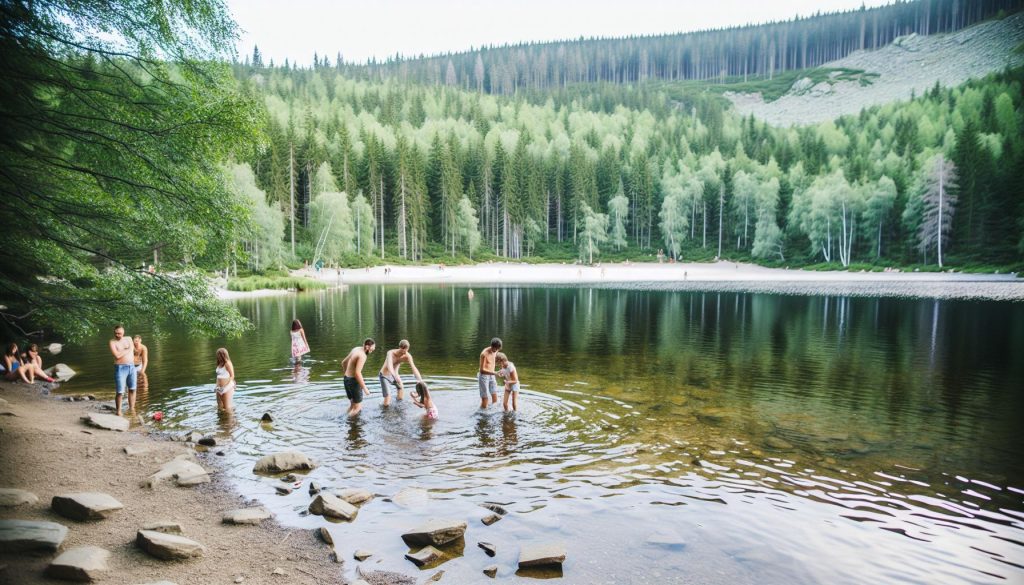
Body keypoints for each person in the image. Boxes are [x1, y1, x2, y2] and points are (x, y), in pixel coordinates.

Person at [378, 339, 424, 406]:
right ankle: (385, 410)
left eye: (406, 351)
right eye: (402, 352)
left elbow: (414, 368)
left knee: (401, 391)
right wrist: (394, 377)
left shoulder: (407, 356)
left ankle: (398, 406)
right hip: (384, 375)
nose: (404, 354)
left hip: (395, 375)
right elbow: (390, 366)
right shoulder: (390, 353)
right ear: (399, 348)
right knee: (387, 399)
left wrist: (420, 380)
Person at [341, 338, 375, 416]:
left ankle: (346, 418)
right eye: (371, 350)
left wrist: (346, 376)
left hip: (346, 379)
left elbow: (343, 362)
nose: (371, 352)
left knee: (352, 405)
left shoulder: (355, 349)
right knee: (357, 408)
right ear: (367, 347)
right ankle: (345, 421)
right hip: (353, 381)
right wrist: (365, 388)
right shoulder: (362, 356)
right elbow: (357, 373)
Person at [109, 325, 136, 415]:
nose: (117, 335)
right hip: (120, 368)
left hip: (132, 367)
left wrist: (125, 350)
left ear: (123, 332)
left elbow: (132, 349)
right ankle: (119, 411)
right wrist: (128, 349)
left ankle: (131, 409)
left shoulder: (128, 338)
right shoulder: (112, 342)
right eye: (115, 333)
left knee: (132, 389)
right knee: (120, 391)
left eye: (119, 333)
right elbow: (117, 356)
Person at [477, 337, 502, 408]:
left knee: (494, 394)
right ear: (491, 346)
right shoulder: (484, 354)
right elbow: (481, 370)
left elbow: (499, 358)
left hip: (492, 375)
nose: (496, 350)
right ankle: (482, 415)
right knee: (485, 398)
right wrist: (495, 373)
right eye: (495, 348)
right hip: (483, 377)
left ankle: (494, 411)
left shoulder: (496, 350)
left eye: (498, 349)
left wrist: (502, 367)